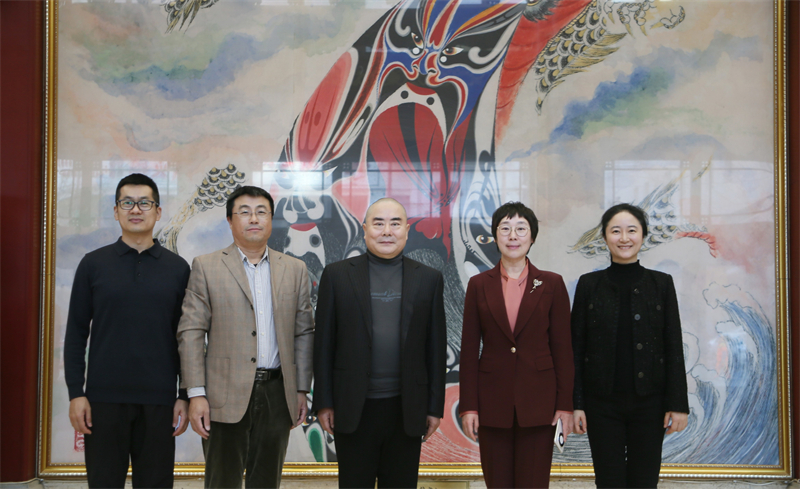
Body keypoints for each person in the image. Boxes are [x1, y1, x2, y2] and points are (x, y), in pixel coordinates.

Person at [177, 185, 314, 488]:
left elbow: (304, 332)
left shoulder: (295, 269)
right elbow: (191, 332)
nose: (254, 218)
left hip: (278, 394)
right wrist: (195, 394)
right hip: (222, 395)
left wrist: (301, 389)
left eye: (261, 212)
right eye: (244, 212)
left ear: (271, 219)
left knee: (266, 481)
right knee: (221, 482)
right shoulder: (206, 266)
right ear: (230, 220)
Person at [64, 173, 191, 488]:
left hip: (160, 401)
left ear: (157, 211)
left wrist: (183, 395)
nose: (136, 209)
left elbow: (186, 339)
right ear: (116, 211)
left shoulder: (178, 269)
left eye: (144, 203)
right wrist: (76, 393)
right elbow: (76, 334)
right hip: (103, 401)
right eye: (127, 203)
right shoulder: (93, 264)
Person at [312, 198, 447, 489]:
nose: (387, 231)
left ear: (407, 230)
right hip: (353, 407)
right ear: (364, 229)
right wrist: (323, 402)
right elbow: (323, 345)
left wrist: (434, 407)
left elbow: (435, 349)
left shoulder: (429, 279)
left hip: (406, 408)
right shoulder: (337, 275)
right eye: (378, 223)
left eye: (395, 223)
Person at [571, 203, 689, 488]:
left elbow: (673, 345)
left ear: (643, 235)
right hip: (601, 404)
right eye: (615, 231)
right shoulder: (588, 285)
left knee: (644, 482)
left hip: (650, 403)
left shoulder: (661, 284)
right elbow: (575, 348)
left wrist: (678, 405)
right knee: (608, 481)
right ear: (604, 237)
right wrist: (576, 405)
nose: (624, 238)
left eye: (631, 230)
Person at [459, 201, 574, 489]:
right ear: (495, 236)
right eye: (505, 229)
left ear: (532, 237)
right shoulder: (478, 285)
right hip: (492, 403)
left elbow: (563, 350)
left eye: (521, 229)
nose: (513, 236)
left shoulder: (551, 284)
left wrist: (565, 405)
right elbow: (469, 351)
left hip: (540, 404)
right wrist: (469, 407)